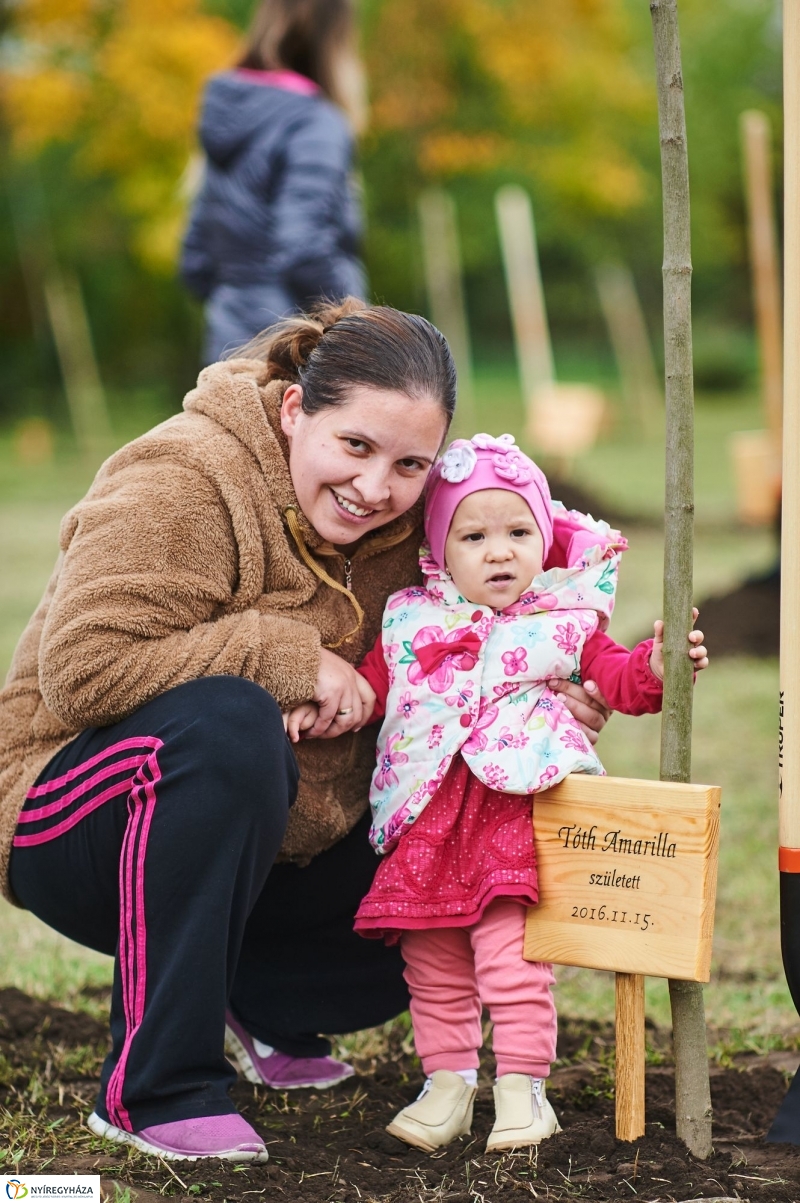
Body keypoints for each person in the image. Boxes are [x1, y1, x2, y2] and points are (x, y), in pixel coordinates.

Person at [0, 300, 610, 1163]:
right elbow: (85, 665)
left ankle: (250, 998)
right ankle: (153, 1086)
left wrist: (539, 695)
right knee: (229, 723)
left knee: (435, 879)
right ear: (295, 410)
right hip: (71, 813)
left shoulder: (415, 521)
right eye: (353, 446)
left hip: (277, 837)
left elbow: (473, 631)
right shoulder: (183, 476)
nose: (374, 488)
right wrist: (289, 656)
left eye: (408, 464)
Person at [286, 432, 709, 1155]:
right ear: (440, 551)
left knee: (510, 957)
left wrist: (660, 666)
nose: (500, 551)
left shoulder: (564, 621)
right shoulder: (411, 620)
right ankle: (447, 1083)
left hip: (510, 814)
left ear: (543, 541)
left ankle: (522, 1088)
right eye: (474, 535)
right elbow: (373, 691)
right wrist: (321, 704)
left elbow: (618, 681)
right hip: (425, 819)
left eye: (519, 532)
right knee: (432, 960)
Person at [180, 0, 367, 364]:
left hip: (227, 355)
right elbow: (305, 246)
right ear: (335, 37)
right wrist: (361, 329)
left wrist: (241, 300)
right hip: (300, 358)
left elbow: (196, 261)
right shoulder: (315, 123)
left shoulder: (227, 116)